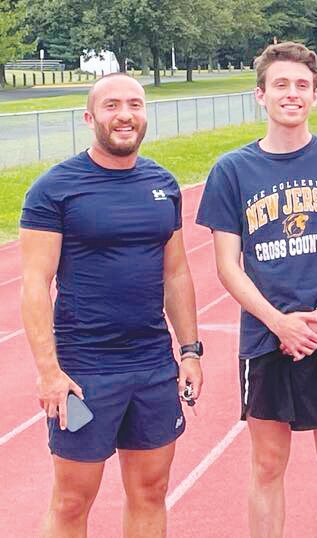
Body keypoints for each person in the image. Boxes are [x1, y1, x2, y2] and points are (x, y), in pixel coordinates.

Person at [196, 42, 317, 538]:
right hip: (265, 336)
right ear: (260, 94)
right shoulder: (232, 171)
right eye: (280, 84)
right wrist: (278, 322)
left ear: (316, 96)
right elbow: (227, 265)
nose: (291, 94)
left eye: (302, 85)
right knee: (267, 464)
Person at [20, 72, 204, 538]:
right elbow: (35, 284)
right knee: (71, 500)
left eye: (135, 105)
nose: (125, 115)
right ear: (90, 117)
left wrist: (189, 351)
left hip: (152, 365)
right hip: (85, 370)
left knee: (150, 491)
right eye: (112, 105)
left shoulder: (163, 183)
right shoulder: (54, 189)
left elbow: (176, 273)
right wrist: (48, 370)